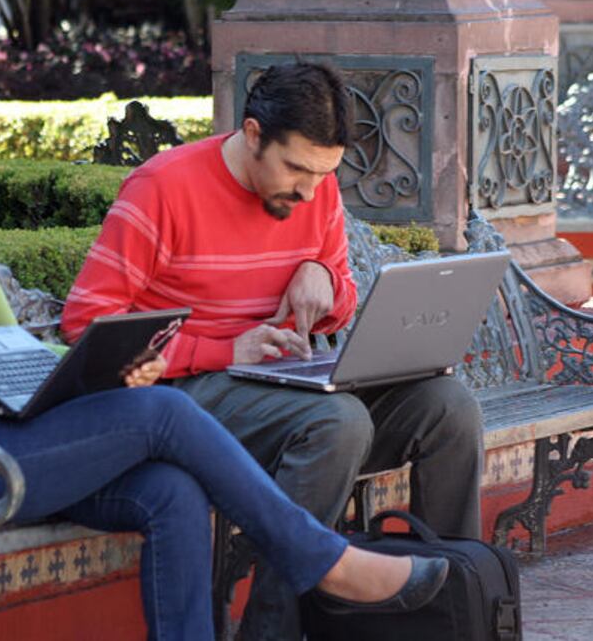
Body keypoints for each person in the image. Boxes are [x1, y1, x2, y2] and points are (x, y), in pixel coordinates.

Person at [0, 62, 448, 640]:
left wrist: (83, 378)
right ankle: (324, 561)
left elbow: (15, 342)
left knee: (170, 490)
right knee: (161, 415)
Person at [61, 61, 484, 641]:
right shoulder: (163, 187)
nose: (309, 190)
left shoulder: (316, 188)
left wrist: (326, 281)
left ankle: (451, 611)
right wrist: (224, 348)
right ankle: (270, 631)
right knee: (336, 423)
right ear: (253, 133)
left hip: (288, 390)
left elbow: (340, 302)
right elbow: (87, 325)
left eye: (323, 173)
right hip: (185, 397)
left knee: (448, 407)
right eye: (297, 169)